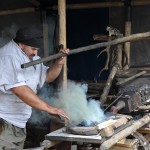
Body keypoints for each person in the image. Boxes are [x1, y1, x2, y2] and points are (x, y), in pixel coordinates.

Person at [0, 27, 70, 149]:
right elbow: (20, 89)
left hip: (19, 122)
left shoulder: (31, 57)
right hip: (4, 121)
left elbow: (47, 77)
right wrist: (49, 108)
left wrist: (59, 63)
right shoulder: (9, 56)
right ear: (21, 44)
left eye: (37, 49)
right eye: (33, 49)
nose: (36, 53)